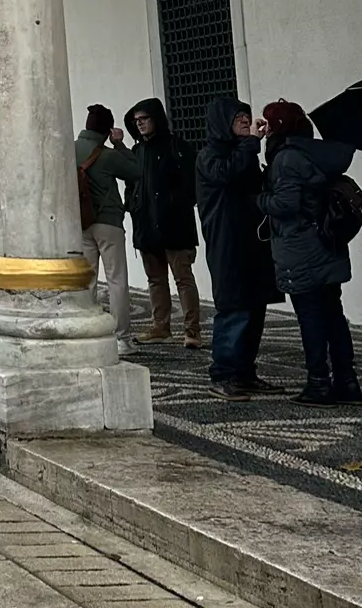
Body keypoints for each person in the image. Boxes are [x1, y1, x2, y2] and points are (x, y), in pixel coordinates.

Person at [260, 99, 361, 404]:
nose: (263, 132)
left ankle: (319, 383)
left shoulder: (287, 158)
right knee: (333, 316)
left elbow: (285, 205)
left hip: (301, 250)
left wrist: (260, 198)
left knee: (311, 319)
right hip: (327, 246)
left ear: (279, 127)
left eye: (268, 124)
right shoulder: (316, 153)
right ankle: (347, 382)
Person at [196, 97, 279, 398]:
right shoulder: (209, 156)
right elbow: (224, 174)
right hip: (227, 242)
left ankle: (244, 372)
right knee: (234, 307)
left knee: (255, 306)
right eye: (237, 118)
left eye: (246, 115)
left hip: (252, 241)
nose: (245, 121)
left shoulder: (244, 153)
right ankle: (223, 373)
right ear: (222, 123)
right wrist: (250, 145)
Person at [123, 98, 201, 345]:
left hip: (174, 225)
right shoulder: (137, 151)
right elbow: (131, 184)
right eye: (136, 121)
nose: (140, 124)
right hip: (146, 225)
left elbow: (191, 183)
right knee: (156, 280)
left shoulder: (177, 146)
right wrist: (133, 206)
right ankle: (161, 327)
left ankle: (192, 331)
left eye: (144, 119)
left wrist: (174, 205)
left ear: (156, 118)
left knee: (183, 278)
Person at [75, 104, 140, 348]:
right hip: (109, 223)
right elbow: (136, 171)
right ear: (106, 129)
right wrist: (120, 144)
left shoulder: (69, 149)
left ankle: (88, 333)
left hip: (81, 222)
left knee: (87, 280)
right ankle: (121, 338)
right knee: (116, 280)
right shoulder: (107, 154)